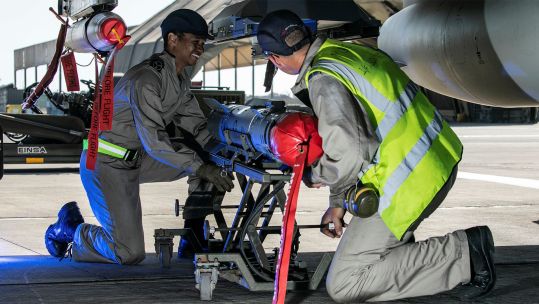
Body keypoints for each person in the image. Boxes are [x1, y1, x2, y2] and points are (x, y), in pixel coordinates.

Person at [257, 10, 496, 302]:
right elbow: (360, 138)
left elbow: (349, 153)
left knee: (345, 283)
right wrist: (338, 203)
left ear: (274, 59)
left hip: (406, 179)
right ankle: (421, 256)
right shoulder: (348, 54)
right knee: (376, 255)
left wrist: (313, 174)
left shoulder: (322, 78)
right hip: (434, 159)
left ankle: (465, 253)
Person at [44, 9, 233, 264]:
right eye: (195, 41)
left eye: (203, 43)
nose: (200, 48)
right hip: (107, 164)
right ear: (173, 40)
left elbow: (197, 128)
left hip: (139, 160)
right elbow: (155, 140)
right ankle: (71, 228)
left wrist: (228, 152)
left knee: (206, 160)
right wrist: (202, 168)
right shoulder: (146, 80)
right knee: (128, 252)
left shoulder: (178, 79)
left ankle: (192, 236)